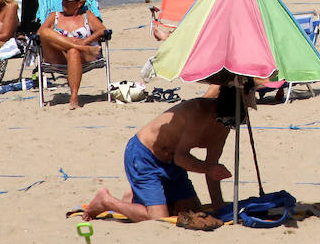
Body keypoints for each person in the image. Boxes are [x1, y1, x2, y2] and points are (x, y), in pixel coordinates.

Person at [83, 84, 251, 221]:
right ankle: (106, 201)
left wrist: (219, 207)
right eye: (226, 120)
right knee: (158, 218)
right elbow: (182, 157)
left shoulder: (225, 126)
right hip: (145, 155)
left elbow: (212, 167)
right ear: (218, 109)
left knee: (190, 212)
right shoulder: (198, 113)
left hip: (171, 163)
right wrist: (209, 169)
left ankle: (136, 195)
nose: (228, 125)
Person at [38, 0, 107, 109]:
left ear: (79, 3)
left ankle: (74, 97)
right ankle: (79, 48)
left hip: (81, 57)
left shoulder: (87, 15)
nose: (63, 3)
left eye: (67, 1)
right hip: (57, 56)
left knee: (73, 51)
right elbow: (40, 33)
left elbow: (102, 30)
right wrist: (75, 43)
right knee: (44, 32)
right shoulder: (54, 15)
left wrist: (84, 42)